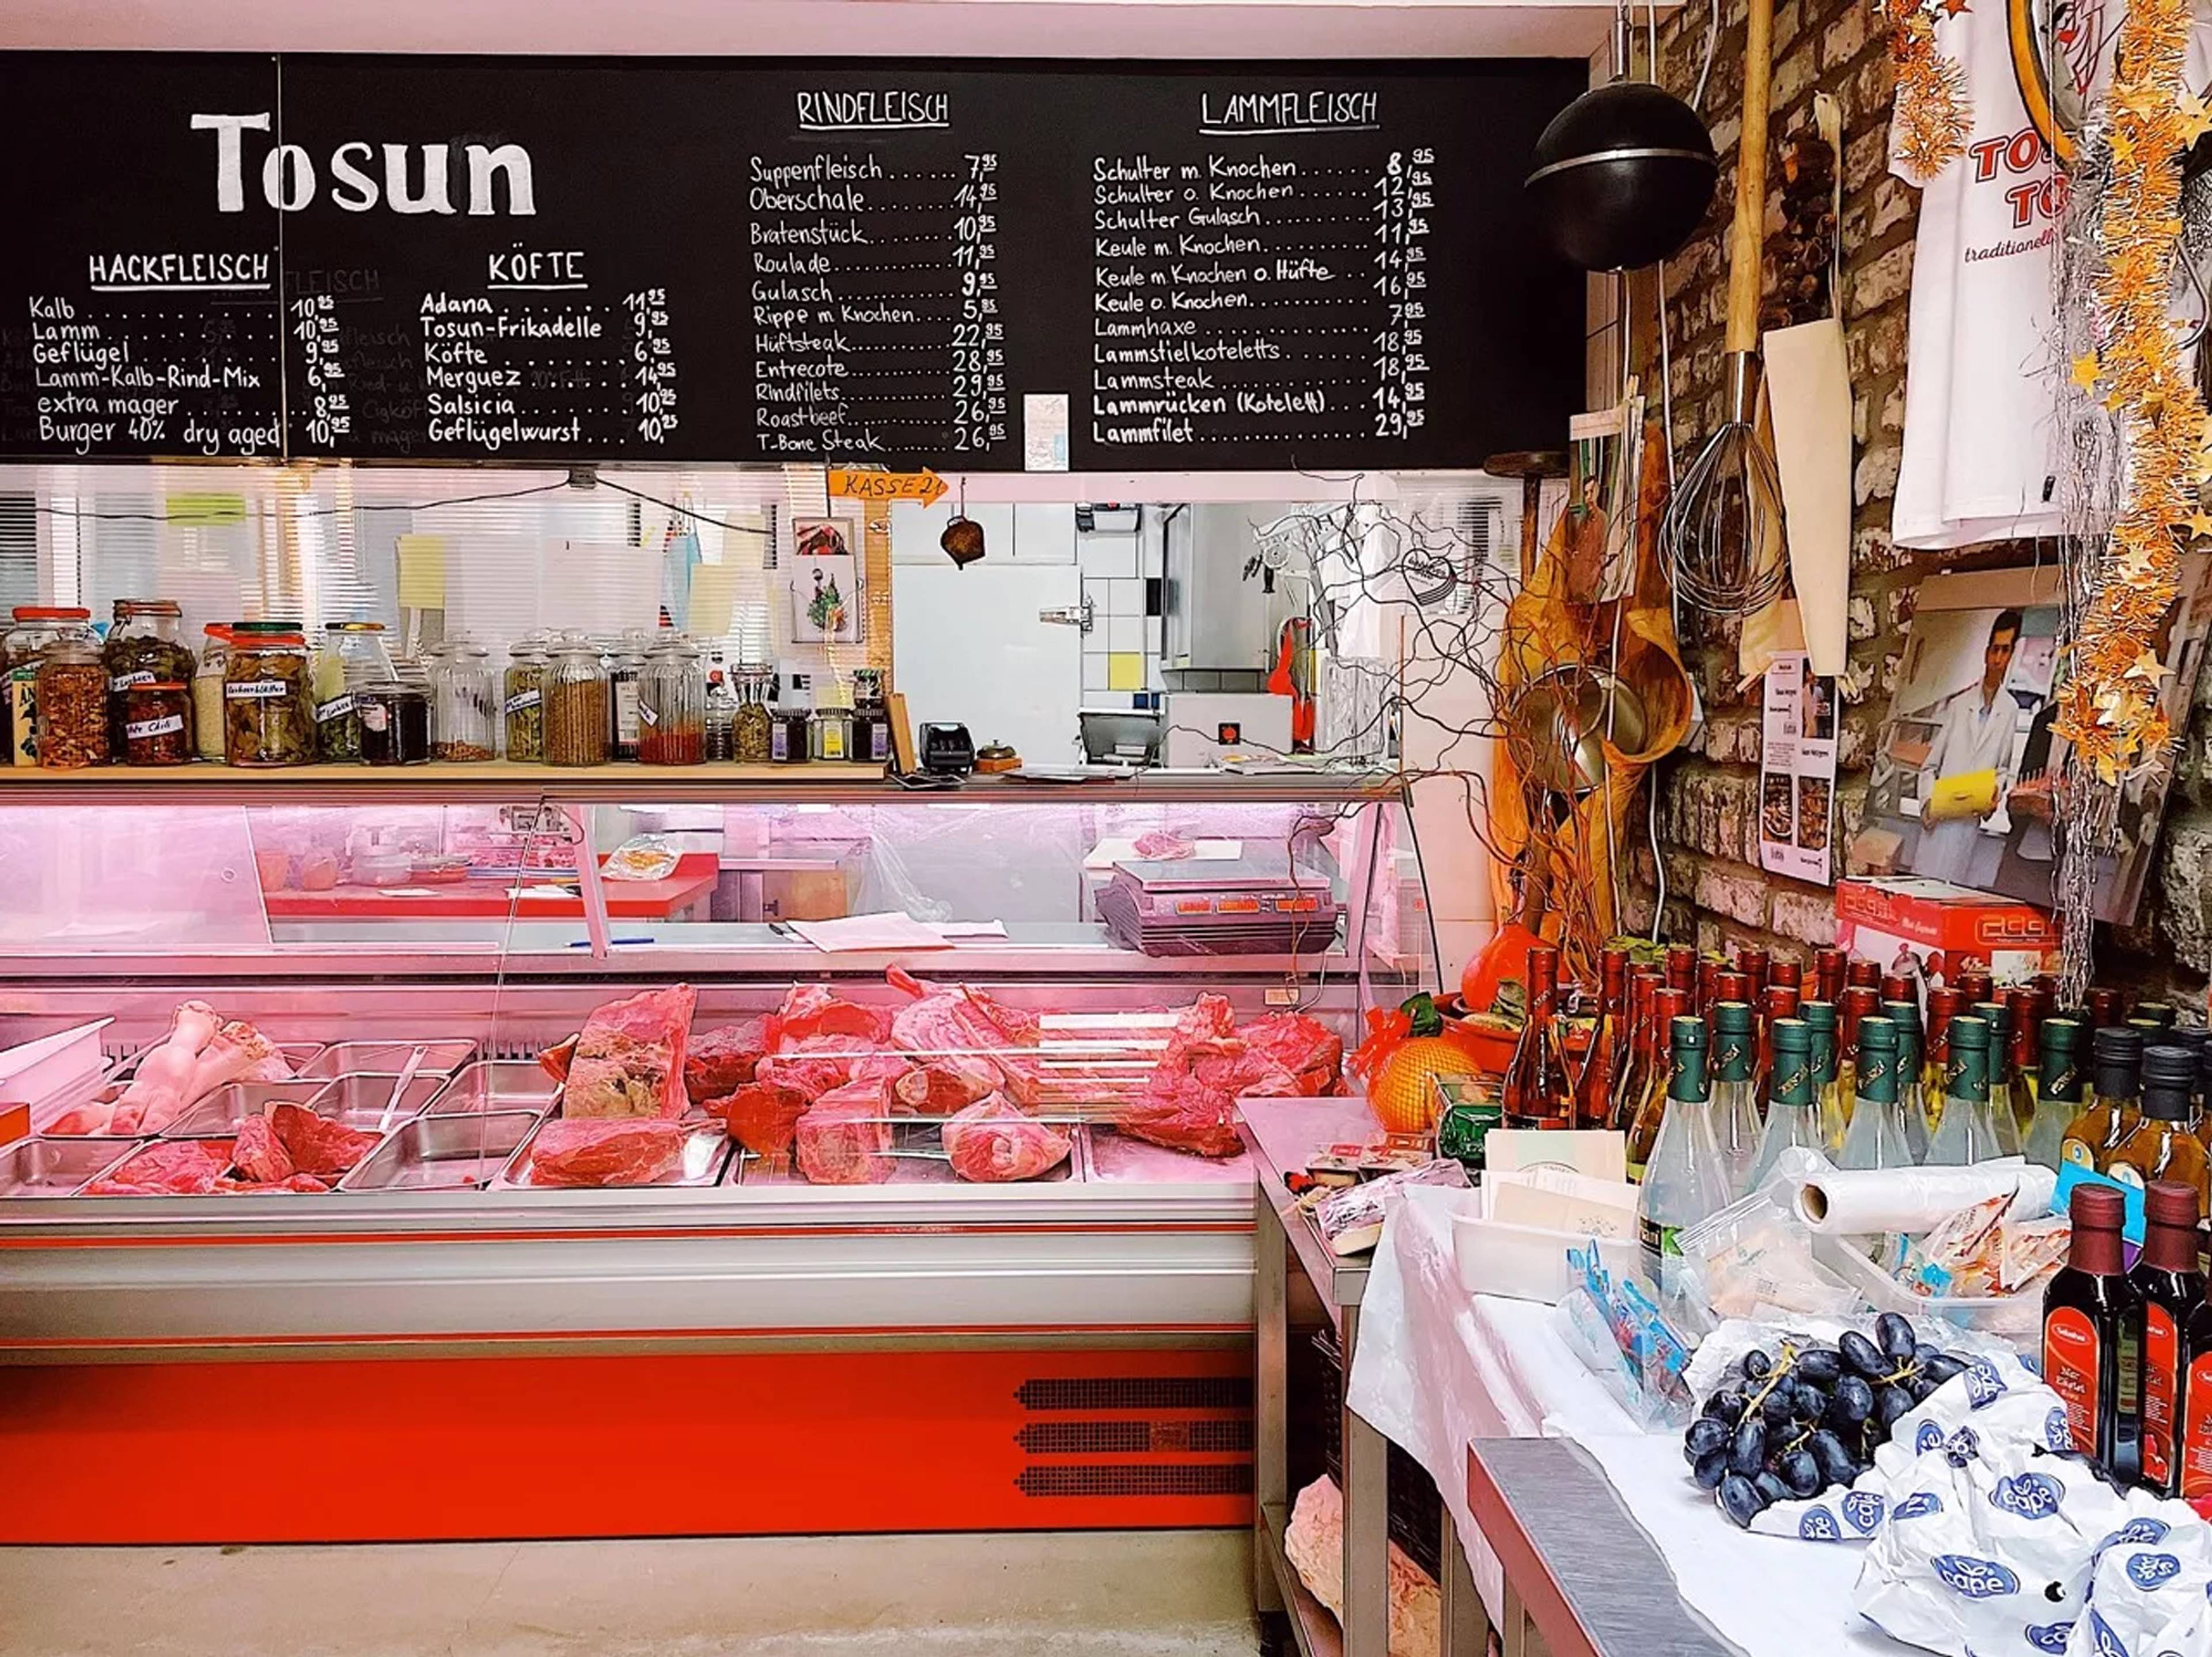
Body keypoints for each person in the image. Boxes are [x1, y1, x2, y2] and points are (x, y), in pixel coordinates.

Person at [1915, 608, 2022, 883]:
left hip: (1967, 826)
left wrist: (1994, 795)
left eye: (2005, 651)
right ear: (1987, 652)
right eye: (1995, 650)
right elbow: (1930, 767)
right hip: (1937, 824)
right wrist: (1929, 805)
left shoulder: (2010, 710)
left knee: (1952, 897)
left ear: (2012, 654)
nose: (1998, 659)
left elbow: (2003, 768)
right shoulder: (1959, 705)